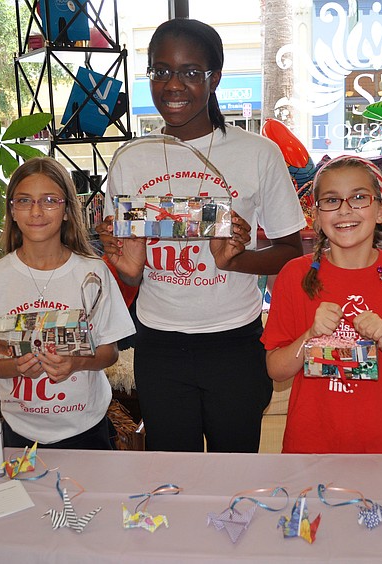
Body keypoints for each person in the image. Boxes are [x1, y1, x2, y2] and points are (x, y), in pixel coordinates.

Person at [97, 18, 306, 453]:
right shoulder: (130, 160)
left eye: (191, 72)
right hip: (159, 345)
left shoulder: (258, 154)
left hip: (235, 343)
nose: (173, 85)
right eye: (161, 71)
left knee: (236, 473)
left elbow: (292, 251)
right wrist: (128, 269)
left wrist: (236, 260)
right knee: (173, 477)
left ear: (215, 78)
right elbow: (132, 275)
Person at [261, 155, 382, 454]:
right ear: (315, 215)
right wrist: (309, 336)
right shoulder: (294, 275)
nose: (344, 210)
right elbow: (275, 370)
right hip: (310, 447)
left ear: (381, 209)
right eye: (331, 200)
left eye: (358, 197)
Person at [0, 157, 135, 450]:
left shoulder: (93, 272)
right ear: (12, 210)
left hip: (87, 428)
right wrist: (15, 366)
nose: (37, 211)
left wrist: (76, 362)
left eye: (50, 200)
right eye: (24, 201)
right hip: (18, 431)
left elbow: (109, 352)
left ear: (67, 210)